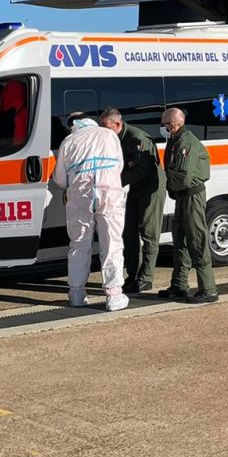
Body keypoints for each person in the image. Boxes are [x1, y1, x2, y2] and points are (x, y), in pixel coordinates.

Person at [49, 114, 128, 311]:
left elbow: (59, 179)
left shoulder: (69, 141)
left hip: (80, 196)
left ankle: (77, 294)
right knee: (112, 243)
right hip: (109, 192)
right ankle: (114, 295)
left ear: (74, 126)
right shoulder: (110, 136)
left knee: (79, 243)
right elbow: (119, 166)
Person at [102, 107, 165, 295]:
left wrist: (115, 181)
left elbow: (142, 170)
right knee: (129, 232)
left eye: (107, 127)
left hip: (150, 188)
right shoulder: (114, 139)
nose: (104, 132)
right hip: (134, 188)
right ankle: (133, 274)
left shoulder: (137, 138)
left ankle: (145, 278)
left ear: (118, 124)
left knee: (149, 232)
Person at [160, 106, 217, 305]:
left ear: (173, 124)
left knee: (197, 240)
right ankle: (179, 285)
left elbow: (183, 176)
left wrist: (167, 184)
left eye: (165, 124)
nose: (163, 128)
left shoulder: (185, 142)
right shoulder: (175, 140)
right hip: (182, 197)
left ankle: (208, 289)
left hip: (192, 197)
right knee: (180, 241)